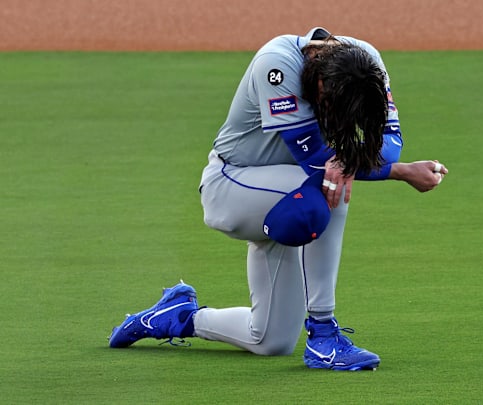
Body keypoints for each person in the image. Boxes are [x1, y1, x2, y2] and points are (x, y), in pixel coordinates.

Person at [108, 27, 448, 371]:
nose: (333, 112)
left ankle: (179, 316)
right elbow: (317, 161)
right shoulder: (278, 64)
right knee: (331, 182)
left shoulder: (368, 63)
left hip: (286, 198)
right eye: (329, 101)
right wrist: (400, 172)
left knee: (270, 340)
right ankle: (323, 335)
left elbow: (389, 144)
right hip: (232, 186)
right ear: (317, 76)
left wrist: (385, 162)